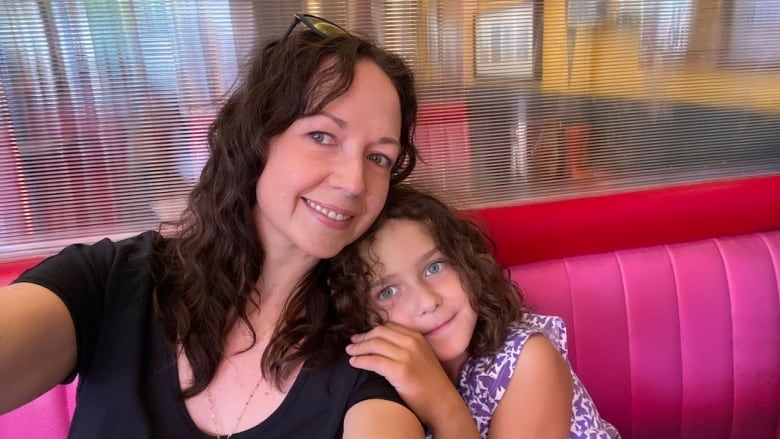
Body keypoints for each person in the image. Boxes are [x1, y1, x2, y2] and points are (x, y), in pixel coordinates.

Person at [0, 13, 426, 438]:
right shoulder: (114, 284)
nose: (353, 181)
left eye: (378, 158)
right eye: (322, 136)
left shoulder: (366, 352)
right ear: (259, 139)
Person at [329, 184, 621, 439]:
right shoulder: (375, 382)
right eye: (387, 292)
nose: (428, 302)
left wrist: (444, 407)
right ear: (358, 313)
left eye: (434, 267)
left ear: (467, 265)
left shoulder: (525, 361)